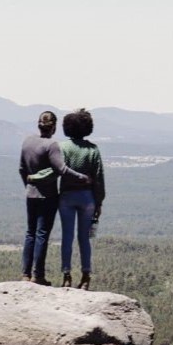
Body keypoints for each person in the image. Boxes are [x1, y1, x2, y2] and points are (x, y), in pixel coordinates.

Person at [18, 111, 90, 285]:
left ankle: (25, 274)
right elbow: (61, 169)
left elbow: (21, 169)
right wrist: (82, 177)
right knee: (42, 234)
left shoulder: (27, 141)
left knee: (30, 233)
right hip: (47, 196)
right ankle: (38, 275)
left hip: (31, 194)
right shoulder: (51, 145)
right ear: (54, 127)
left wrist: (29, 186)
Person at [57, 108, 105, 290]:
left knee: (67, 237)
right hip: (87, 197)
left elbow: (58, 171)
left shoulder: (63, 148)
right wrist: (99, 202)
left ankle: (66, 275)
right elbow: (99, 177)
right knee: (84, 238)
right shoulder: (93, 149)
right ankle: (86, 277)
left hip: (67, 196)